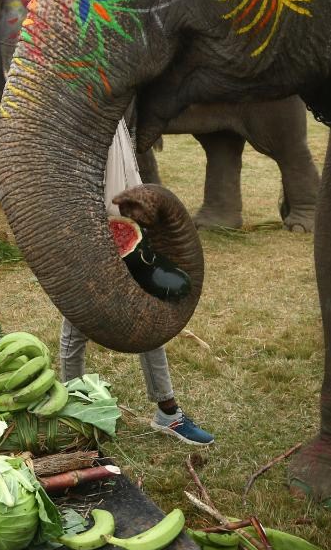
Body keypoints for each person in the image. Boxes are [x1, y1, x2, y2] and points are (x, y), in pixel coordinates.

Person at [59, 120, 215, 445]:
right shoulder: (72, 116)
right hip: (89, 227)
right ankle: (72, 406)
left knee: (148, 313)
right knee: (76, 321)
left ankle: (168, 412)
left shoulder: (113, 111)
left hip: (126, 220)